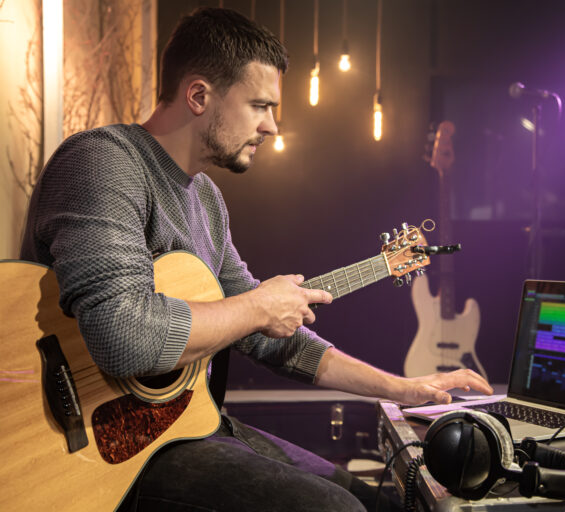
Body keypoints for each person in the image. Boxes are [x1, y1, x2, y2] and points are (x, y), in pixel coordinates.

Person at [21, 7, 493, 511]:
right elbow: (124, 337)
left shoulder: (204, 199)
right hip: (98, 448)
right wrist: (257, 307)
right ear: (199, 96)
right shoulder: (101, 161)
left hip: (184, 427)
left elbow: (269, 337)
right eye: (260, 105)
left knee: (386, 501)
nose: (272, 125)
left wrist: (404, 388)